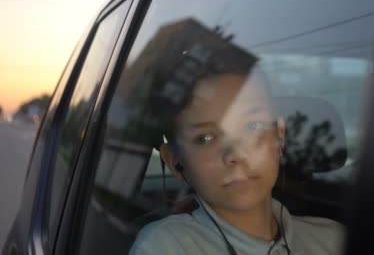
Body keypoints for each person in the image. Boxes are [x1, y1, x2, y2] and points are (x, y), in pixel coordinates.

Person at [128, 32, 344, 255]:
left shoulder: (334, 239)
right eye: (205, 138)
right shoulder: (165, 248)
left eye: (252, 127)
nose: (236, 154)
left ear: (279, 135)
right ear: (175, 161)